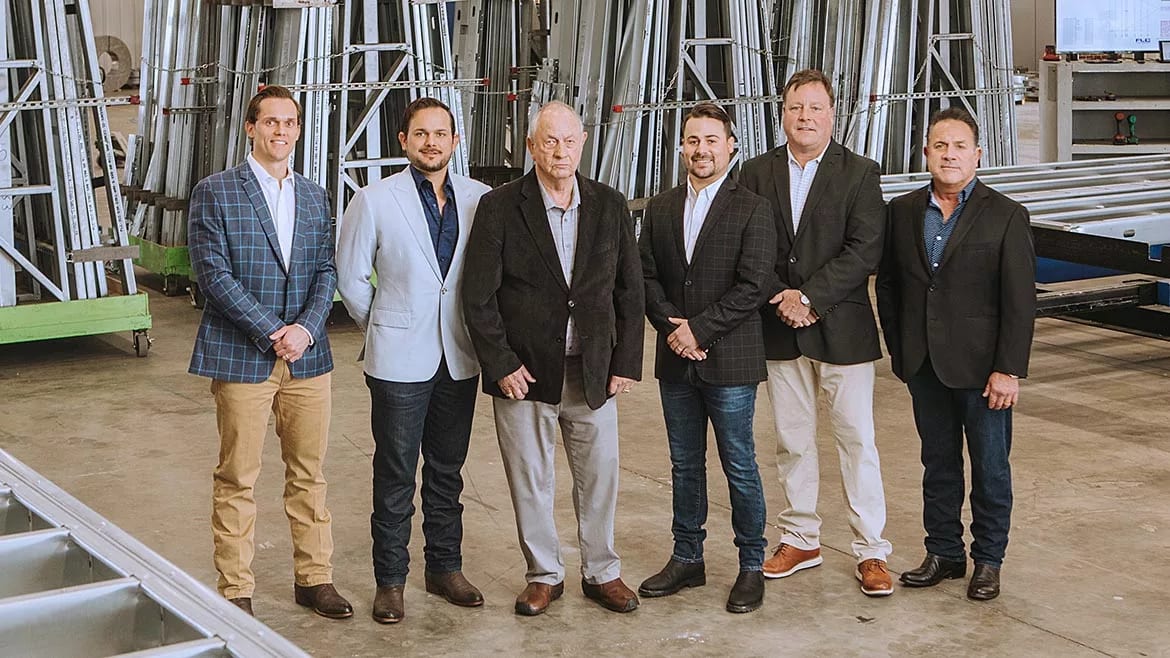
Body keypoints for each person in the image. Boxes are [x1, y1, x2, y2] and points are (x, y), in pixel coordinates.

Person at [461, 100, 645, 616]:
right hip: (525, 372)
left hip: (593, 370)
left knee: (600, 475)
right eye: (549, 141)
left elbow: (629, 292)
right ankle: (544, 574)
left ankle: (602, 570)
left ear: (583, 142)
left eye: (568, 141)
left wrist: (626, 361)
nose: (560, 151)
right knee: (529, 478)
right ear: (531, 147)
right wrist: (500, 364)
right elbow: (478, 297)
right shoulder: (499, 207)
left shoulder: (609, 205)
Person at [188, 85, 352, 619]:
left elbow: (326, 270)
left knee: (310, 473)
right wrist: (271, 331)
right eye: (271, 122)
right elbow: (213, 275)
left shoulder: (314, 194)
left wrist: (304, 329)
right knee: (239, 475)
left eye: (290, 123)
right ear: (250, 128)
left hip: (308, 358)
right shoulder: (216, 191)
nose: (281, 131)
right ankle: (236, 588)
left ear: (298, 131)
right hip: (243, 357)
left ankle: (314, 578)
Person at [336, 97, 491, 623]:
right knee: (396, 472)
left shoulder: (480, 199)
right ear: (403, 141)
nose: (431, 142)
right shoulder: (375, 200)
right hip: (398, 359)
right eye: (420, 133)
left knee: (448, 471)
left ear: (455, 141)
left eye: (441, 133)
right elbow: (352, 279)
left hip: (459, 355)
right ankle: (391, 580)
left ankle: (445, 568)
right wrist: (385, 324)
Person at [739, 69, 893, 597]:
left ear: (833, 113)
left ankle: (871, 550)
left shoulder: (860, 173)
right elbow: (747, 246)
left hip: (841, 329)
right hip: (779, 329)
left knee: (857, 440)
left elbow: (865, 249)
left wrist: (808, 297)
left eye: (814, 107)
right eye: (795, 107)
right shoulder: (755, 174)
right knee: (792, 440)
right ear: (781, 113)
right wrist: (782, 295)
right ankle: (800, 536)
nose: (804, 116)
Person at [876, 106, 1035, 601]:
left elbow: (1019, 300)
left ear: (977, 154)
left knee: (990, 468)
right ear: (926, 152)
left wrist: (1008, 369)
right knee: (937, 463)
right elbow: (888, 287)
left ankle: (988, 560)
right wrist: (902, 354)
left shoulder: (1006, 215)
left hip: (983, 371)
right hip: (924, 365)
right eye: (940, 145)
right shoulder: (902, 212)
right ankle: (943, 551)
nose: (949, 155)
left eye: (959, 146)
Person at [637, 103, 777, 613]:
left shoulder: (753, 208)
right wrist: (674, 328)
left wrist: (699, 329)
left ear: (731, 146)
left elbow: (754, 284)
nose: (702, 149)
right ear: (682, 148)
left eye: (712, 140)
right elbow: (644, 275)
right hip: (677, 359)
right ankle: (687, 558)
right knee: (684, 464)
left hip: (730, 360)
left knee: (739, 464)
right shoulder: (661, 206)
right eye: (693, 140)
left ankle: (750, 565)